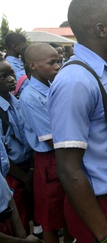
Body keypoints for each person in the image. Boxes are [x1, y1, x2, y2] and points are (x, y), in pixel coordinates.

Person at [48, 0, 107, 243]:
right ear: (101, 29)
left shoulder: (103, 72)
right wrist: (105, 234)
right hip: (97, 207)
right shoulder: (76, 81)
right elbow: (68, 169)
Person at [20, 44, 73, 243]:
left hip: (64, 153)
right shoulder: (30, 97)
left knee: (68, 208)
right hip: (51, 158)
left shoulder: (52, 87)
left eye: (59, 61)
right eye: (51, 63)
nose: (58, 66)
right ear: (33, 65)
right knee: (50, 216)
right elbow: (51, 139)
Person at [0, 58, 34, 235]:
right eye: (3, 76)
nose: (11, 79)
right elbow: (2, 154)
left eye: (12, 73)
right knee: (17, 216)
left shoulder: (16, 102)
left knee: (29, 212)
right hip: (11, 174)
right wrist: (24, 178)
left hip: (25, 166)